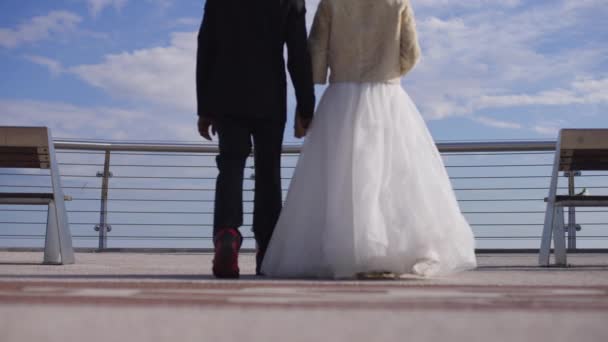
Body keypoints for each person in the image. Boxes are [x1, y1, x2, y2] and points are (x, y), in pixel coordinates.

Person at [261, 0, 477, 279]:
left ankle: (349, 250)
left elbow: (315, 49)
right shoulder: (397, 2)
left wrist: (317, 80)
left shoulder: (331, 4)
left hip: (341, 96)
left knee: (340, 176)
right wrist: (390, 71)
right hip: (386, 94)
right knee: (394, 174)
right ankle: (389, 249)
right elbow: (410, 54)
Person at [196, 0, 315, 278]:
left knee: (231, 164)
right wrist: (306, 105)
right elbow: (298, 52)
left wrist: (205, 108)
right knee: (268, 171)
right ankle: (267, 249)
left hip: (227, 93)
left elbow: (206, 47)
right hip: (270, 96)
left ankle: (227, 233)